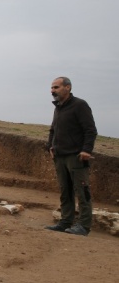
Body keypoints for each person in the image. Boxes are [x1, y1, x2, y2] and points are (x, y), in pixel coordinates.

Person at [44, 77, 97, 236]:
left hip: (76, 156)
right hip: (60, 156)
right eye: (52, 88)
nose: (52, 90)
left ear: (68, 87)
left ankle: (84, 225)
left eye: (56, 87)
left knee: (82, 190)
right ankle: (65, 221)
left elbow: (90, 130)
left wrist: (86, 150)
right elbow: (53, 130)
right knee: (65, 190)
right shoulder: (58, 107)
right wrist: (50, 146)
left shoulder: (80, 105)